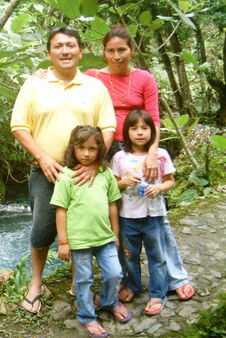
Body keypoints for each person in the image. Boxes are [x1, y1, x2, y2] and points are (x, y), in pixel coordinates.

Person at [33, 25, 195, 302]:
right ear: (103, 53)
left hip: (140, 148)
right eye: (111, 50)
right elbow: (60, 78)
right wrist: (40, 74)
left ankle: (175, 276)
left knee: (157, 216)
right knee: (118, 215)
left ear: (131, 50)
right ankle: (124, 278)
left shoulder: (144, 78)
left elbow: (153, 119)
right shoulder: (94, 77)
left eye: (122, 50)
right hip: (105, 150)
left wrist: (153, 153)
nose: (117, 56)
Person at [10, 26, 117, 314]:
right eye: (58, 46)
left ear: (81, 51)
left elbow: (107, 126)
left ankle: (78, 281)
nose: (65, 51)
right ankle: (36, 283)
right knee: (41, 230)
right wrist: (43, 158)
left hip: (84, 172)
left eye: (71, 45)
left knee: (82, 228)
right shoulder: (35, 85)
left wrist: (95, 162)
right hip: (46, 171)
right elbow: (19, 126)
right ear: (49, 53)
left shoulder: (95, 86)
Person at [51, 125, 131, 337]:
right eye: (82, 148)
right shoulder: (66, 176)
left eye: (92, 149)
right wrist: (63, 242)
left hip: (104, 237)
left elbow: (113, 204)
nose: (87, 153)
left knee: (114, 272)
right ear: (73, 149)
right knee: (83, 279)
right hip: (79, 241)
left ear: (100, 150)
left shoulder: (104, 175)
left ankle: (109, 302)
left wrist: (115, 233)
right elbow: (61, 210)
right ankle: (87, 316)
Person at [111, 109, 174, 315]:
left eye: (145, 128)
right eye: (134, 128)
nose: (140, 133)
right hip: (128, 217)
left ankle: (158, 292)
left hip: (154, 215)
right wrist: (124, 182)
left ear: (152, 131)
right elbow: (113, 188)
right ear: (126, 132)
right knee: (129, 255)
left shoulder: (161, 155)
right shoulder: (120, 157)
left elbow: (170, 181)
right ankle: (133, 285)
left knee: (157, 255)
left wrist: (159, 188)